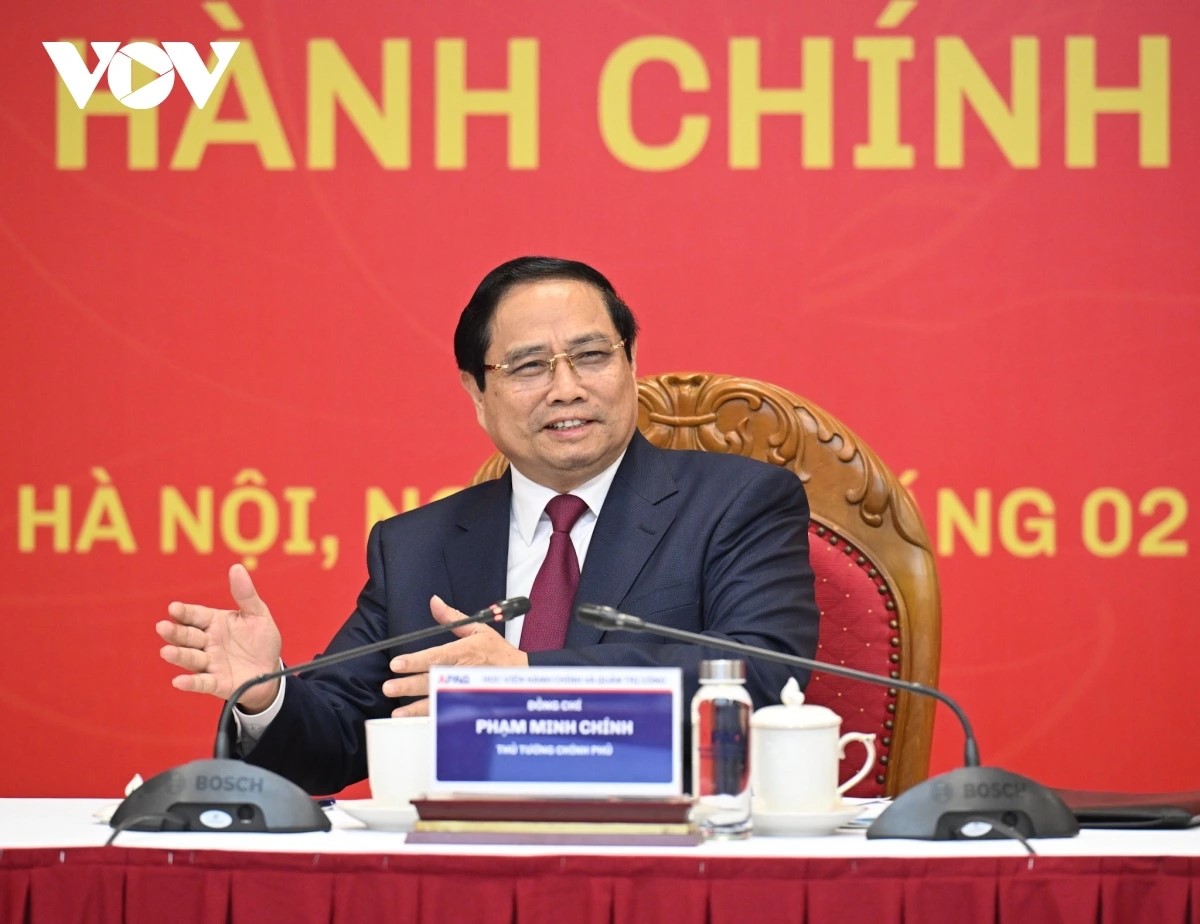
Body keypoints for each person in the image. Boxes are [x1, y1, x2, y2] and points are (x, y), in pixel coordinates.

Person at [158, 256, 819, 795]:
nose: (567, 388)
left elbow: (761, 676)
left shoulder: (737, 504)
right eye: (529, 367)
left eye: (592, 356)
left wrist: (526, 678)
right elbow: (333, 741)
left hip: (674, 862)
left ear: (631, 364)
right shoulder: (416, 547)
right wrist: (266, 693)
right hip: (470, 871)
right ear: (477, 393)